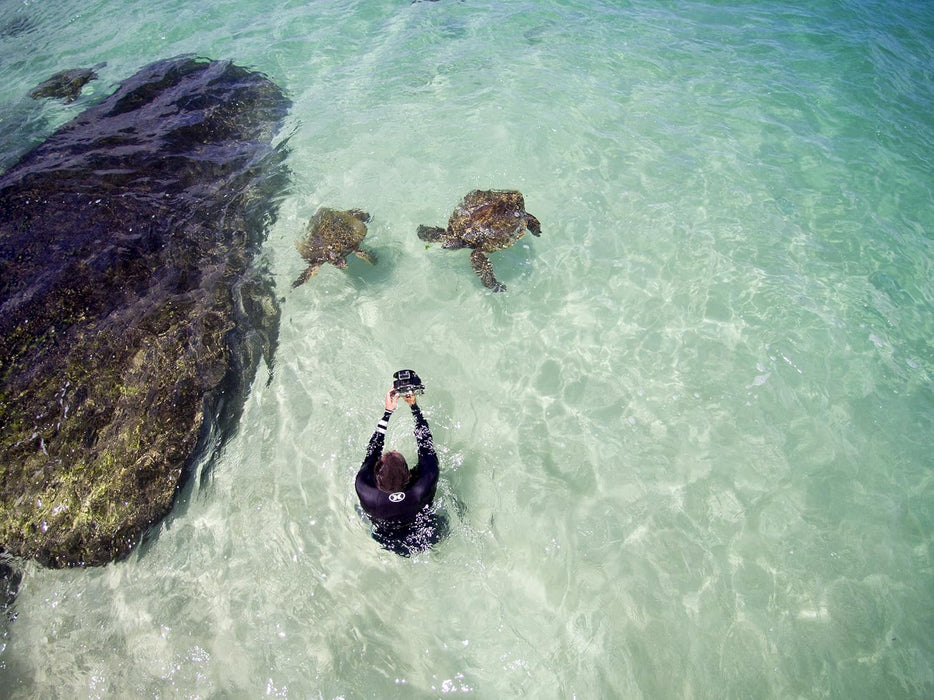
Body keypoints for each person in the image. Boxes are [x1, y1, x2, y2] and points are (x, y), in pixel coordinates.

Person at [355, 387, 445, 555]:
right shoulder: (423, 484)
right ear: (409, 475)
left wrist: (388, 412)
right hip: (425, 534)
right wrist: (414, 407)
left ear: (376, 477)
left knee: (360, 509)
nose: (394, 449)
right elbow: (426, 445)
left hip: (386, 539)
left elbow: (372, 452)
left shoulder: (364, 488)